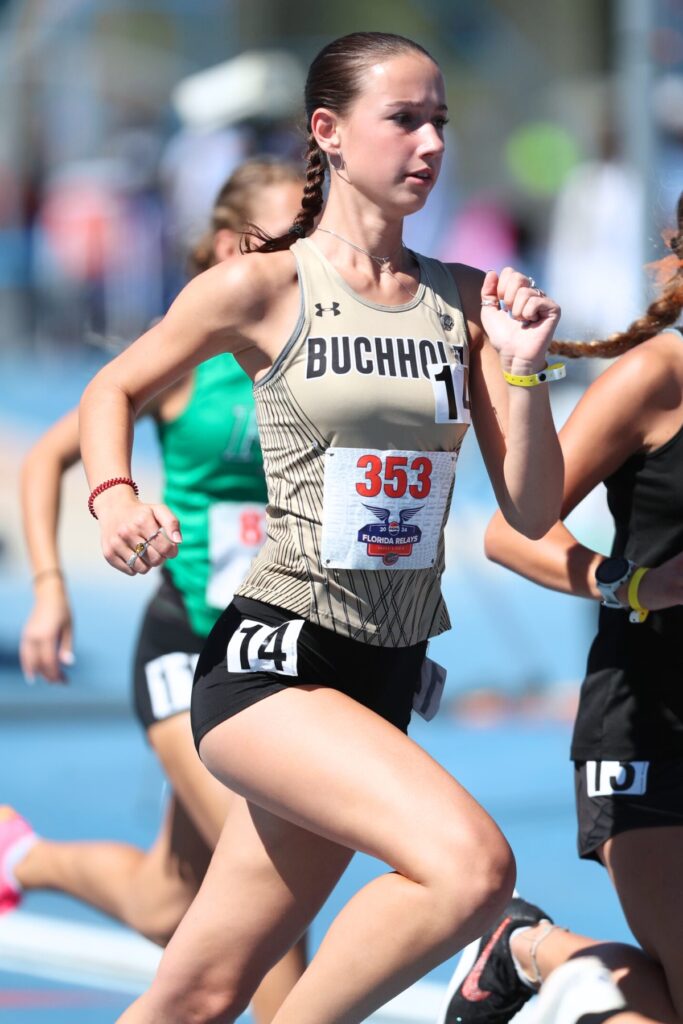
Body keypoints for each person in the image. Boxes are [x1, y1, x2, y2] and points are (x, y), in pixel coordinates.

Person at [78, 31, 564, 1024]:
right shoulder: (263, 284)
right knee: (472, 868)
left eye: (440, 121)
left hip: (385, 672)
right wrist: (115, 495)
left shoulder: (464, 299)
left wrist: (522, 371)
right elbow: (112, 387)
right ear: (328, 132)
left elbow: (530, 508)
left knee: (197, 994)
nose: (431, 143)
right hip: (275, 664)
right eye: (404, 119)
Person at [4, 158, 307, 1024]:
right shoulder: (188, 356)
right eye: (280, 241)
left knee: (166, 901)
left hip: (275, 653)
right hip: (186, 647)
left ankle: (20, 859)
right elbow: (46, 458)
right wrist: (52, 588)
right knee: (268, 872)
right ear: (224, 248)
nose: (300, 260)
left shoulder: (318, 353)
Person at [441, 194, 683, 1024]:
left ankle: (522, 946)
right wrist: (634, 584)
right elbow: (512, 534)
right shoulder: (657, 378)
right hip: (647, 733)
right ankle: (528, 950)